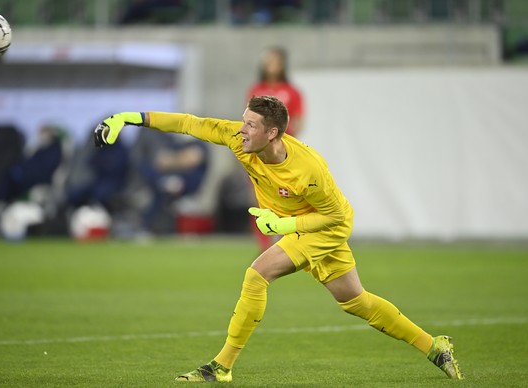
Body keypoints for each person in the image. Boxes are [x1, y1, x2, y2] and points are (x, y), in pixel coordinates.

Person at [93, 96, 464, 382]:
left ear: (272, 133)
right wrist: (129, 118)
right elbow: (190, 124)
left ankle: (220, 368)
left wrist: (283, 227)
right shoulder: (239, 140)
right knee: (357, 303)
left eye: (250, 125)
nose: (241, 130)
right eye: (243, 121)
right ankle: (434, 346)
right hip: (297, 226)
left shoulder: (309, 168)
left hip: (323, 228)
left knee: (257, 274)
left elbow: (337, 217)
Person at [247, 47, 305, 251]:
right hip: (259, 155)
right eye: (268, 60)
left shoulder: (292, 92)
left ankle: (285, 244)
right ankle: (264, 246)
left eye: (275, 61)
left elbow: (297, 123)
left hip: (282, 155)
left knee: (285, 201)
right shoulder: (256, 89)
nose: (271, 65)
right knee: (260, 201)